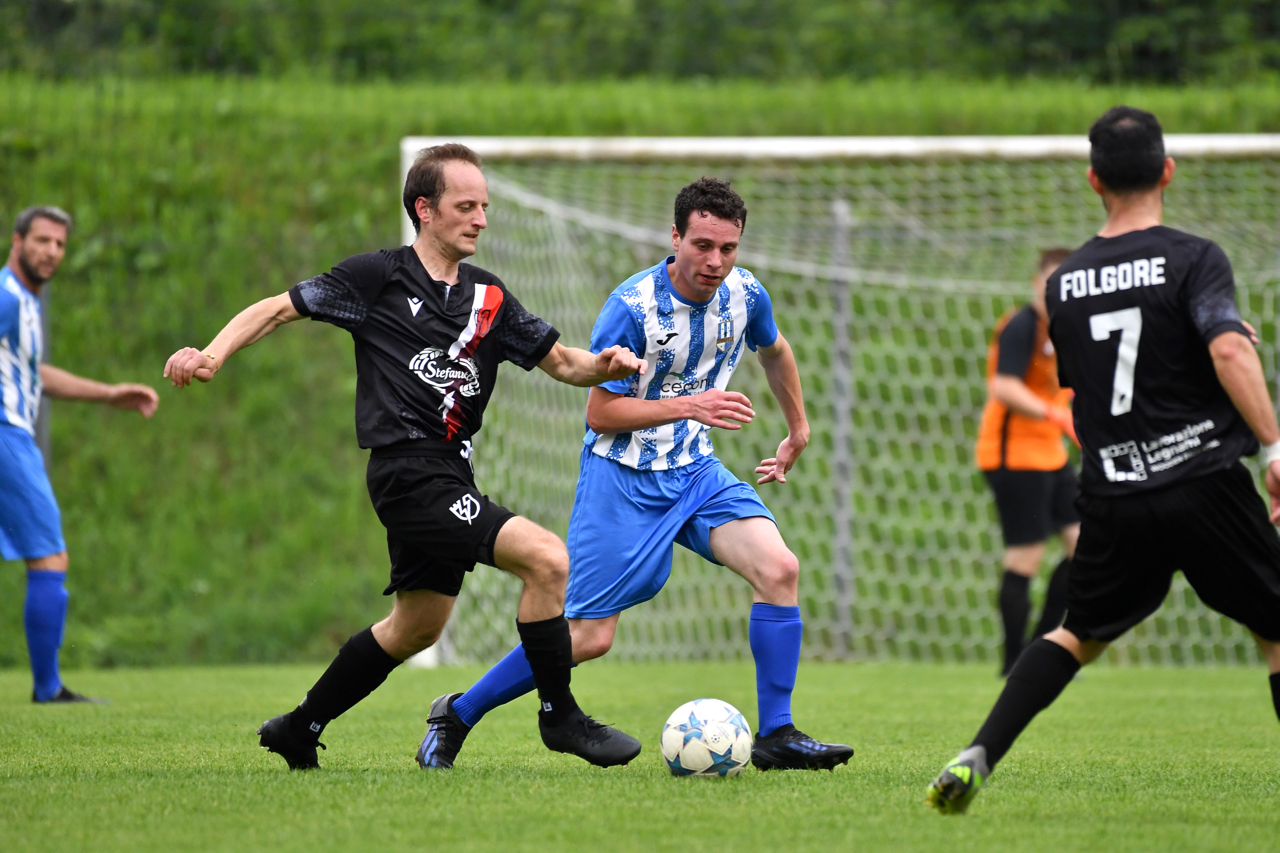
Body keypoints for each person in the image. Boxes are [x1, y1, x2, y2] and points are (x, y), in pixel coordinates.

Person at [164, 144, 645, 770]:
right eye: (465, 207)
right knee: (548, 560)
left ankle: (299, 727)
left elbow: (564, 364)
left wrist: (605, 365)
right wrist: (211, 354)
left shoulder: (489, 295)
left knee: (416, 627)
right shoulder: (378, 276)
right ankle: (561, 717)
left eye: (484, 207)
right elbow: (277, 309)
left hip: (451, 471)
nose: (480, 219)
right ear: (425, 209)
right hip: (407, 473)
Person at [420, 177, 853, 772]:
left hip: (695, 473)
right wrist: (691, 405)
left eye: (728, 248)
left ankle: (777, 733)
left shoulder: (746, 294)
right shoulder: (633, 308)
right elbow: (601, 414)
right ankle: (458, 713)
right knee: (589, 637)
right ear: (675, 237)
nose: (716, 261)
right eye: (702, 245)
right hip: (622, 479)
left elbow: (774, 350)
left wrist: (797, 428)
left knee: (779, 569)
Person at [928, 106, 1280, 814]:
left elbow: (1093, 393)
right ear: (1167, 171)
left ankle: (979, 752)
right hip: (1204, 480)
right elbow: (1227, 350)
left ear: (1094, 180)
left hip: (1116, 492)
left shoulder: (1064, 283)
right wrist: (1272, 445)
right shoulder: (1194, 257)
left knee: (1077, 633)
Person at [1, 205, 159, 703]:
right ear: (17, 241)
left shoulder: (25, 302)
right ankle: (48, 689)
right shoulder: (7, 297)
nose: (51, 251)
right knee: (50, 555)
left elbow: (32, 374)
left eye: (60, 244)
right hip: (7, 436)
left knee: (49, 554)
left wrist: (108, 394)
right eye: (41, 240)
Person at [975, 248, 1081, 676]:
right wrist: (1056, 415)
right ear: (1037, 284)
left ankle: (1041, 651)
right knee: (1026, 556)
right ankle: (1013, 662)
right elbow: (1004, 387)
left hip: (1051, 455)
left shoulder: (1072, 329)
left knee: (1085, 547)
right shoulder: (1022, 326)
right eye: (1050, 284)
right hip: (1013, 456)